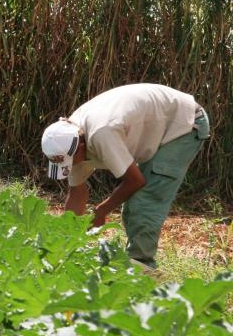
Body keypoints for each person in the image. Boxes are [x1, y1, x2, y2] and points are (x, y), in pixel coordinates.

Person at [41, 83, 210, 269]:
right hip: (156, 125)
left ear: (81, 147)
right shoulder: (70, 136)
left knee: (143, 200)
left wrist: (101, 211)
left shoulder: (102, 133)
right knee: (132, 206)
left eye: (70, 161)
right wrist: (66, 240)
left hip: (184, 124)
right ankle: (136, 265)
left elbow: (135, 182)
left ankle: (142, 269)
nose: (70, 165)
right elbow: (76, 194)